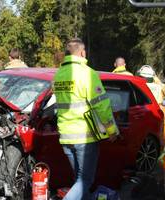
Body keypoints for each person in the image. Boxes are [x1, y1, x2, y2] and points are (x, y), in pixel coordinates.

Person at [53, 38, 119, 200]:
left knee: (79, 181)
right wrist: (111, 130)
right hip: (84, 136)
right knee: (85, 181)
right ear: (82, 53)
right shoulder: (87, 74)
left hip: (66, 137)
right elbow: (101, 106)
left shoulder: (58, 75)